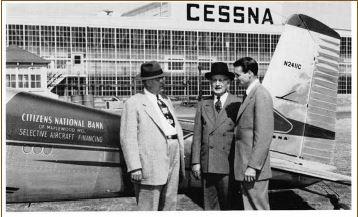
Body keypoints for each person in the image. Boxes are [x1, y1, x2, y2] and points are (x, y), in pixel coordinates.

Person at [120, 61, 185, 211]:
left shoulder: (165, 99)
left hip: (173, 155)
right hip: (151, 161)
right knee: (149, 205)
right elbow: (127, 138)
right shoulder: (134, 103)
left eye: (162, 77)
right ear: (148, 82)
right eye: (158, 79)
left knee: (169, 202)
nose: (163, 81)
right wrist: (135, 167)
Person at [191, 62, 241, 210]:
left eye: (221, 80)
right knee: (209, 206)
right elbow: (197, 135)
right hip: (208, 164)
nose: (217, 84)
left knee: (229, 205)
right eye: (214, 80)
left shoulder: (238, 103)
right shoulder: (203, 104)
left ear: (228, 82)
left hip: (228, 164)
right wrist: (195, 162)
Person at [233, 57, 274, 210]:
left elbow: (264, 135)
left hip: (253, 169)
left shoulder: (260, 95)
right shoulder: (250, 94)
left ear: (250, 73)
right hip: (246, 166)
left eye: (238, 75)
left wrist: (253, 166)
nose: (236, 78)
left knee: (258, 208)